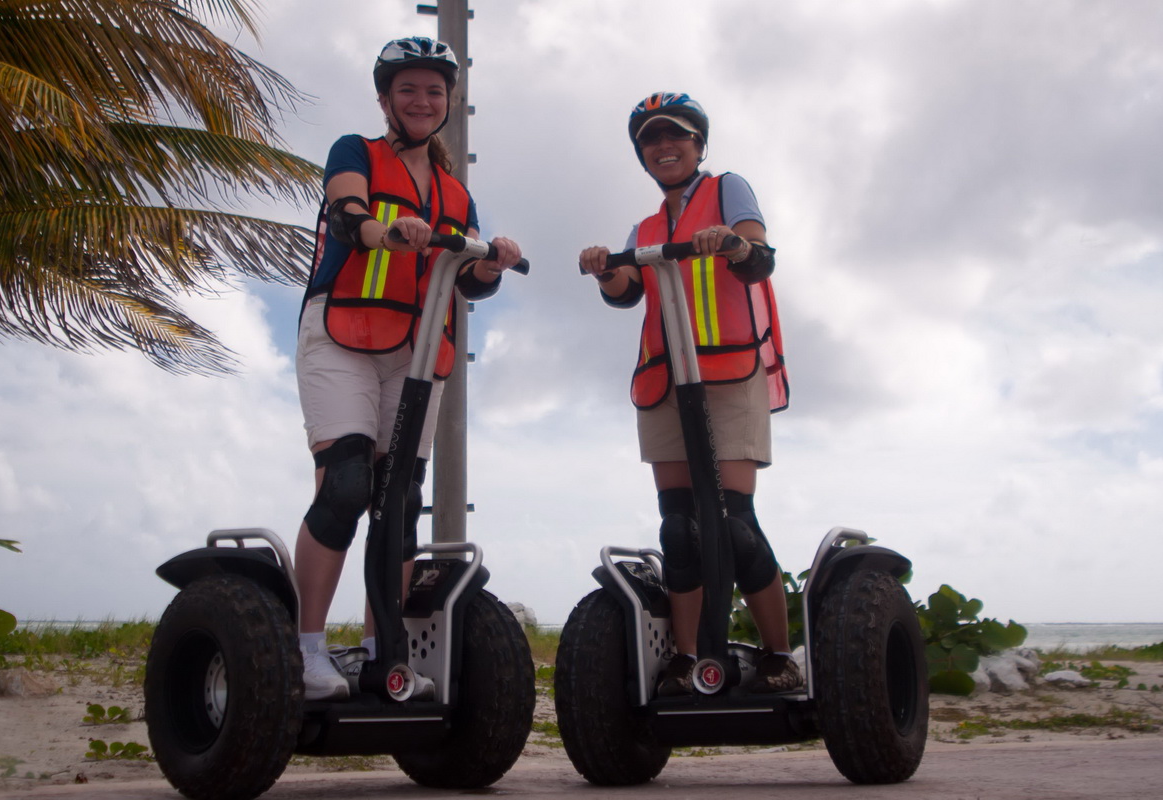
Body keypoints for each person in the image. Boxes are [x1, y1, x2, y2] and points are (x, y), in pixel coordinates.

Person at [294, 37, 523, 701]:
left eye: (433, 90)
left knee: (400, 504)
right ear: (386, 98)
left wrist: (493, 261)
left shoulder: (456, 192)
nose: (422, 101)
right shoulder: (355, 153)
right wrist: (385, 233)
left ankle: (379, 651)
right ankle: (306, 651)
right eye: (408, 89)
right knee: (345, 487)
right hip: (342, 334)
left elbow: (470, 283)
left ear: (448, 102)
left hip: (416, 353)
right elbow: (346, 216)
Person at [578, 92, 797, 696]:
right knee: (679, 528)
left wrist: (732, 243)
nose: (663, 146)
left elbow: (758, 258)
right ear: (641, 154)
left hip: (728, 375)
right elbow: (625, 291)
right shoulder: (646, 227)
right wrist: (605, 265)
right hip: (665, 382)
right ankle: (688, 658)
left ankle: (780, 654)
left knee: (731, 523)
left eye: (676, 135)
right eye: (650, 139)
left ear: (699, 144)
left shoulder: (729, 189)